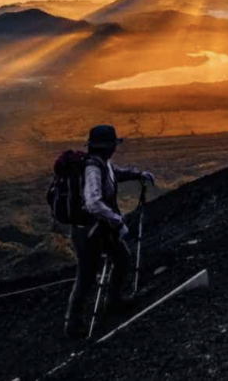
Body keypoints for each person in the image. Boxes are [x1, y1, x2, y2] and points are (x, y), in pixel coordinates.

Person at [64, 124, 155, 339]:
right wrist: (117, 220)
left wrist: (137, 174)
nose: (115, 148)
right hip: (88, 232)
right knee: (86, 276)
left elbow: (116, 174)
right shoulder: (92, 168)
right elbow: (93, 203)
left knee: (122, 258)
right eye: (112, 145)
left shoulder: (102, 163)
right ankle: (73, 324)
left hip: (102, 228)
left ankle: (113, 301)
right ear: (105, 147)